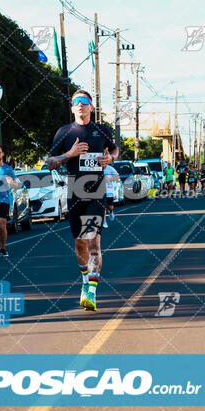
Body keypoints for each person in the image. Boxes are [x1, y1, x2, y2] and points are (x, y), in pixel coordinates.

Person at [47, 90, 118, 312]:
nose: (80, 105)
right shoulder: (64, 132)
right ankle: (85, 281)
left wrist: (111, 158)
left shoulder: (101, 130)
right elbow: (50, 162)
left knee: (94, 241)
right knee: (79, 242)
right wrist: (70, 154)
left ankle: (92, 293)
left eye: (84, 102)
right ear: (72, 108)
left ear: (91, 107)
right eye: (76, 102)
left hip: (97, 191)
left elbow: (114, 148)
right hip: (74, 191)